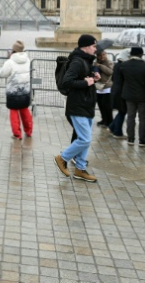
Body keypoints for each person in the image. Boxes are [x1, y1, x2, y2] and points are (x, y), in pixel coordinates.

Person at [53, 34, 99, 182]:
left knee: (84, 138)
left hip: (86, 105)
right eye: (93, 46)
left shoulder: (86, 61)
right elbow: (67, 82)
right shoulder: (77, 62)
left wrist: (94, 76)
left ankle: (80, 169)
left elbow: (85, 77)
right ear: (85, 47)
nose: (95, 48)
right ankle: (62, 158)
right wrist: (86, 83)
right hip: (77, 105)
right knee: (85, 139)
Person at [0, 40, 32, 139]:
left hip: (13, 91)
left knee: (14, 112)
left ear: (14, 50)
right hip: (25, 90)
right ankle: (29, 131)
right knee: (25, 110)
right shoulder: (28, 60)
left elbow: (3, 73)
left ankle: (17, 134)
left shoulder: (10, 62)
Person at [116, 47, 145, 146]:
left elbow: (121, 80)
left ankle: (130, 138)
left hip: (128, 95)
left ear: (131, 54)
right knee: (143, 118)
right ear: (141, 54)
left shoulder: (124, 65)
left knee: (130, 117)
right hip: (143, 96)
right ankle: (142, 140)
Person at [109, 49, 130, 138]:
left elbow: (113, 78)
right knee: (123, 111)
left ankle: (112, 126)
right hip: (121, 91)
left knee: (121, 111)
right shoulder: (124, 66)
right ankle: (117, 132)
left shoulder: (117, 65)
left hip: (114, 90)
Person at [94, 47, 114, 128]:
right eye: (100, 55)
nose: (102, 57)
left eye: (103, 54)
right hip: (98, 87)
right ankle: (104, 119)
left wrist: (100, 66)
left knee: (107, 106)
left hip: (107, 87)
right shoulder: (95, 63)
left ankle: (109, 121)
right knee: (101, 105)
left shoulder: (109, 62)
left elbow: (110, 72)